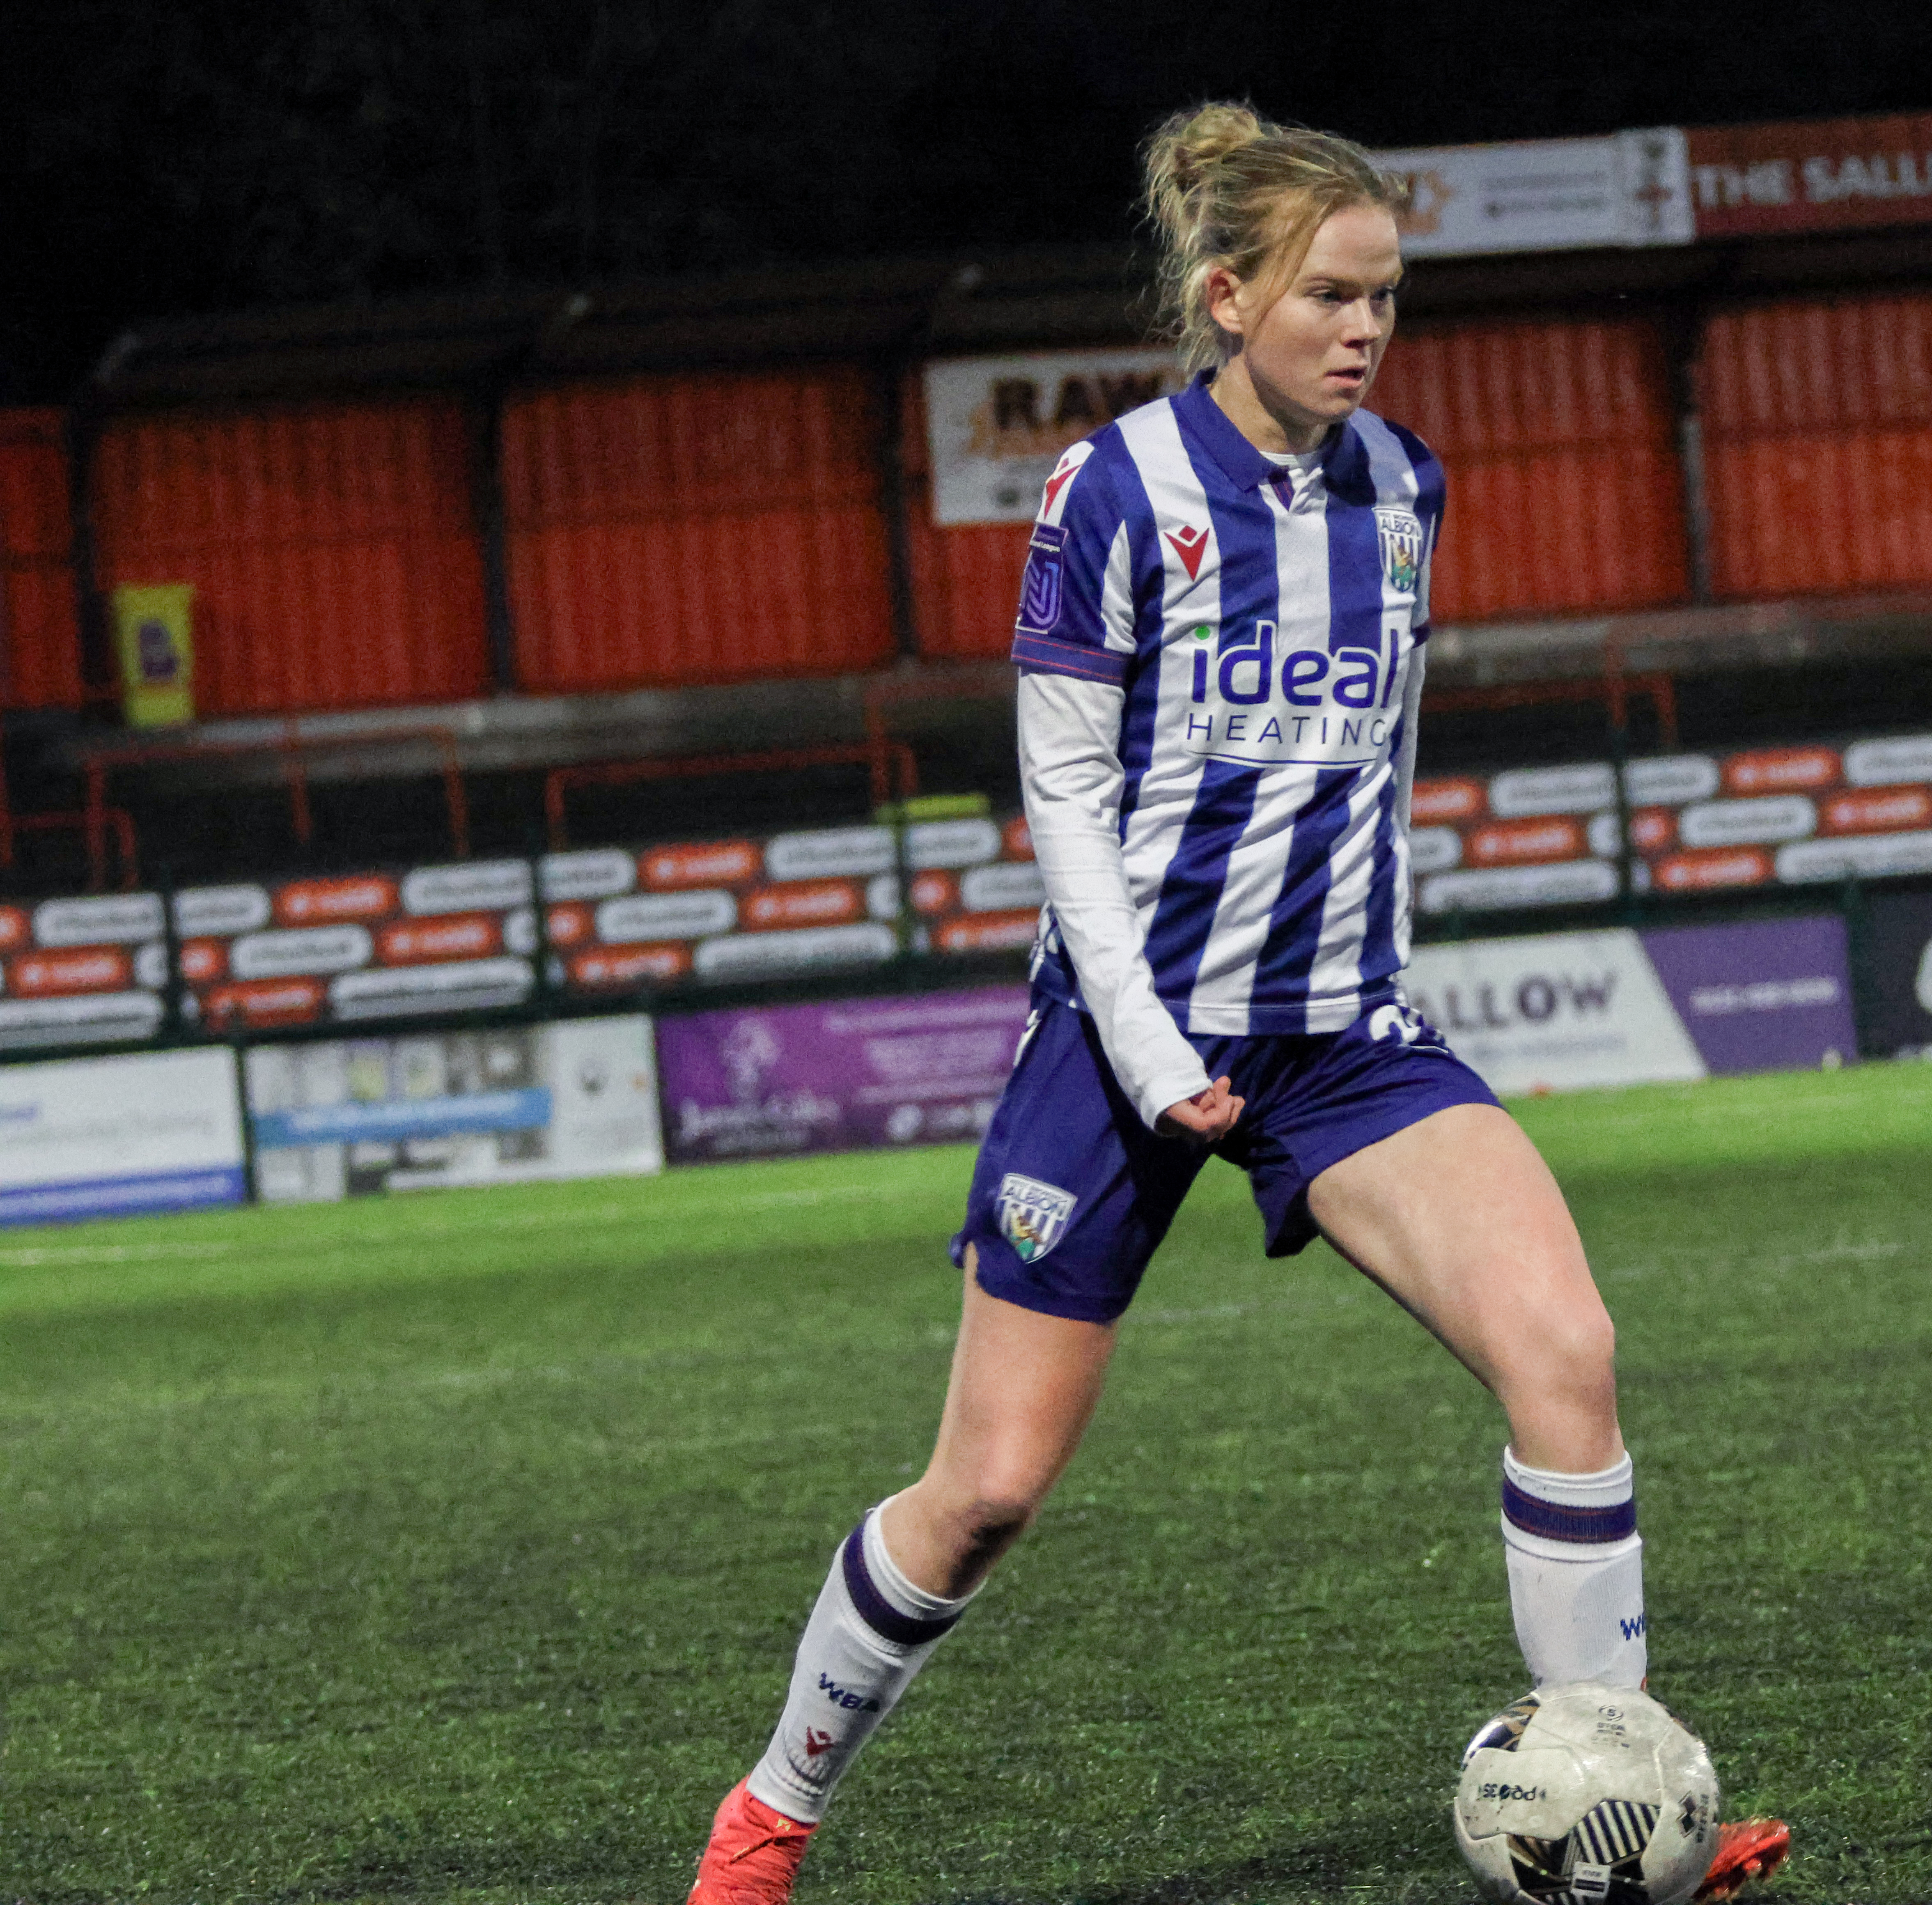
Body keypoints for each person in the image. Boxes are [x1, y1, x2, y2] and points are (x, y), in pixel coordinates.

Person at [686, 102, 1791, 1905]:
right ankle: (768, 1815)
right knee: (986, 1491)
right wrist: (1147, 1046)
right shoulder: (1110, 487)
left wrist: (1372, 971)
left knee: (1567, 1354)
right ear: (1227, 295)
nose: (1365, 330)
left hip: (1344, 1033)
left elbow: (1383, 761)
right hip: (1125, 1041)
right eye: (1332, 296)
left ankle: (1617, 1797)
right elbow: (1064, 795)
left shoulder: (1407, 487)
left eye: (1388, 300)